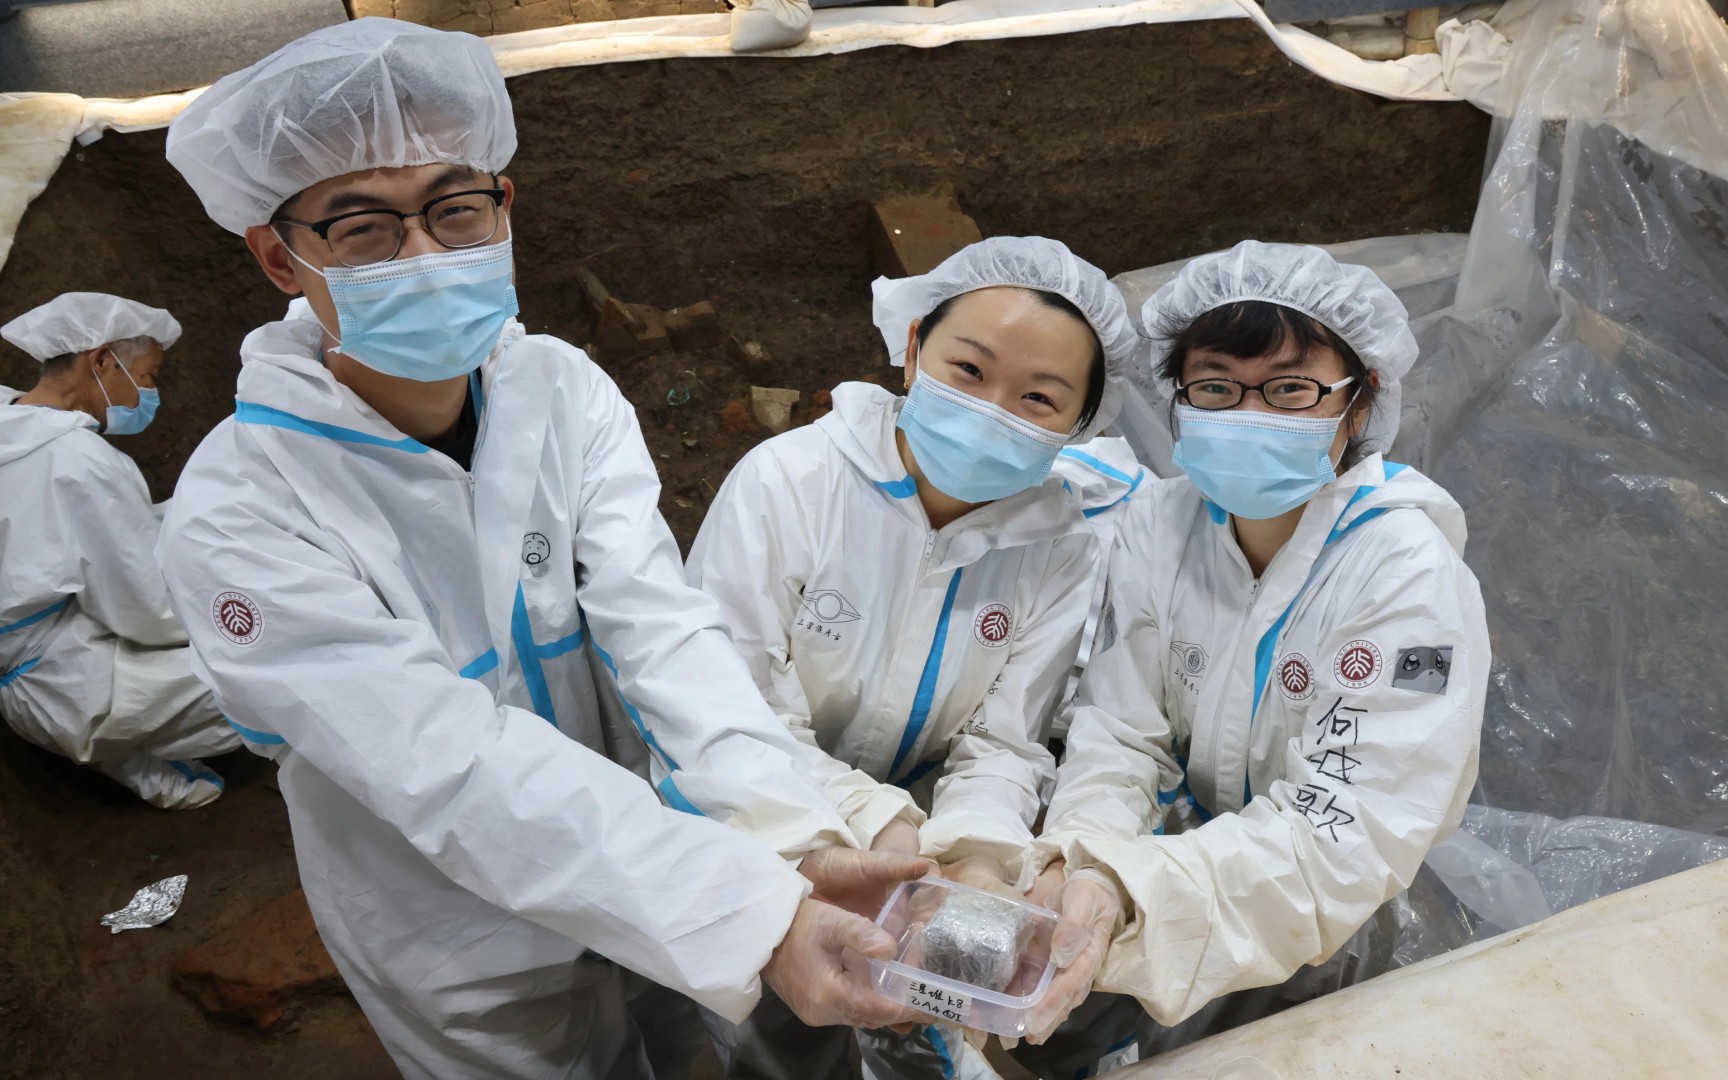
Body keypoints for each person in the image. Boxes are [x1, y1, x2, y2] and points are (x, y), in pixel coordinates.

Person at [157, 19, 925, 1079]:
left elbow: (659, 632)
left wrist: (790, 837)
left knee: (687, 1040)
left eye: (453, 208)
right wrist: (742, 912)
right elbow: (444, 763)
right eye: (365, 229)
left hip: (653, 853)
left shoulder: (561, 389)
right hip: (454, 926)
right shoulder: (240, 513)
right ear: (279, 255)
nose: (424, 253)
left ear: (502, 203)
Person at [1017, 241, 1491, 1073]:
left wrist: (1132, 893)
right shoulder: (1160, 527)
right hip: (1167, 866)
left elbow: (1342, 835)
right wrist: (1087, 861)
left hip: (1330, 922)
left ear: (1357, 401)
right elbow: (1120, 732)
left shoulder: (1403, 572)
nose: (1249, 413)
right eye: (1215, 388)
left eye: (1287, 389)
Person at [684, 236, 1143, 1079]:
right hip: (740, 811)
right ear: (911, 348)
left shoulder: (1058, 550)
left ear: (1081, 427)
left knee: (889, 1003)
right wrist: (892, 830)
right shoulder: (790, 485)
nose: (994, 407)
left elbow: (1005, 742)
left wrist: (973, 860)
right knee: (762, 1017)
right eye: (969, 370)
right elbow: (731, 710)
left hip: (914, 835)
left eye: (1039, 397)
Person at [0, 293, 239, 809]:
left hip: (28, 662)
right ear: (102, 360)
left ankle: (145, 767)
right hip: (67, 687)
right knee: (265, 670)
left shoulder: (10, 422)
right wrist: (229, 605)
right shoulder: (78, 461)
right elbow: (145, 611)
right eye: (149, 377)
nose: (150, 394)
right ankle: (131, 740)